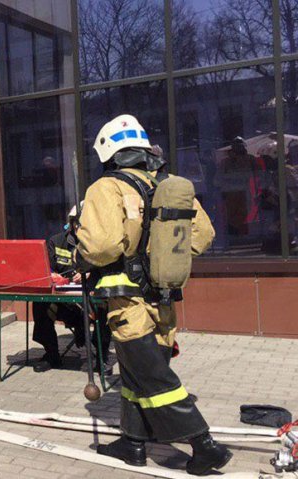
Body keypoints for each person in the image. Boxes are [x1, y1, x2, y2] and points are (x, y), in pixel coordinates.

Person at [76, 114, 231, 475]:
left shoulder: (107, 188)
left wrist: (80, 249)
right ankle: (133, 444)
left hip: (127, 302)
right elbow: (202, 236)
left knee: (155, 378)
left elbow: (101, 246)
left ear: (108, 151)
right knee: (135, 375)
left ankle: (204, 445)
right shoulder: (166, 184)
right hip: (163, 298)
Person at [31, 204, 110, 373]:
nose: (81, 226)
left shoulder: (102, 245)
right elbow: (47, 269)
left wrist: (92, 274)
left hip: (91, 304)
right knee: (40, 303)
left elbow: (110, 269)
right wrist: (53, 276)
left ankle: (102, 358)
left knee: (105, 307)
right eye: (77, 222)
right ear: (72, 222)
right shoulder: (56, 241)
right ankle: (52, 354)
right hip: (65, 305)